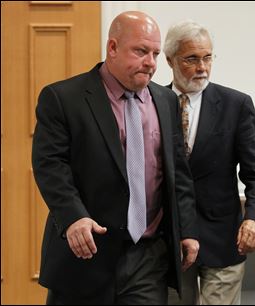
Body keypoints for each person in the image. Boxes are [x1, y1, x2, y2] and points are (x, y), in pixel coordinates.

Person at [32, 11, 199, 305]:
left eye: (155, 53)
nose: (150, 62)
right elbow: (51, 166)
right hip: (85, 252)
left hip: (148, 257)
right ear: (112, 48)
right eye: (140, 51)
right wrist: (73, 217)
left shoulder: (166, 100)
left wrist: (187, 230)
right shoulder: (64, 98)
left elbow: (178, 174)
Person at [164, 20, 255, 305]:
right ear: (169, 60)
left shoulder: (236, 105)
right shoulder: (153, 102)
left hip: (223, 238)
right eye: (192, 59)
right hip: (169, 241)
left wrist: (254, 218)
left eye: (207, 57)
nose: (202, 67)